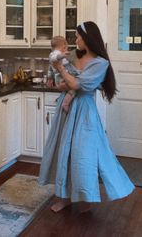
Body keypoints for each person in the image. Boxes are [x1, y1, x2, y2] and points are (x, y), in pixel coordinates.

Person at [39, 21, 135, 213]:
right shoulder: (73, 56)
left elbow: (76, 85)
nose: (75, 40)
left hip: (84, 112)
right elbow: (65, 84)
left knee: (83, 156)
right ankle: (65, 197)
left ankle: (85, 197)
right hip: (66, 110)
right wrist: (58, 81)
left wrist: (62, 71)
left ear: (88, 37)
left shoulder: (101, 63)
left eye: (77, 36)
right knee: (63, 152)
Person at [47, 35, 75, 112]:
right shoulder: (55, 53)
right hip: (61, 78)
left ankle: (64, 101)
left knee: (71, 89)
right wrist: (62, 55)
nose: (66, 49)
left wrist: (49, 78)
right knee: (74, 89)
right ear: (63, 46)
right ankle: (65, 103)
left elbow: (50, 69)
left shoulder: (56, 55)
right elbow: (55, 57)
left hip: (60, 78)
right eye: (65, 46)